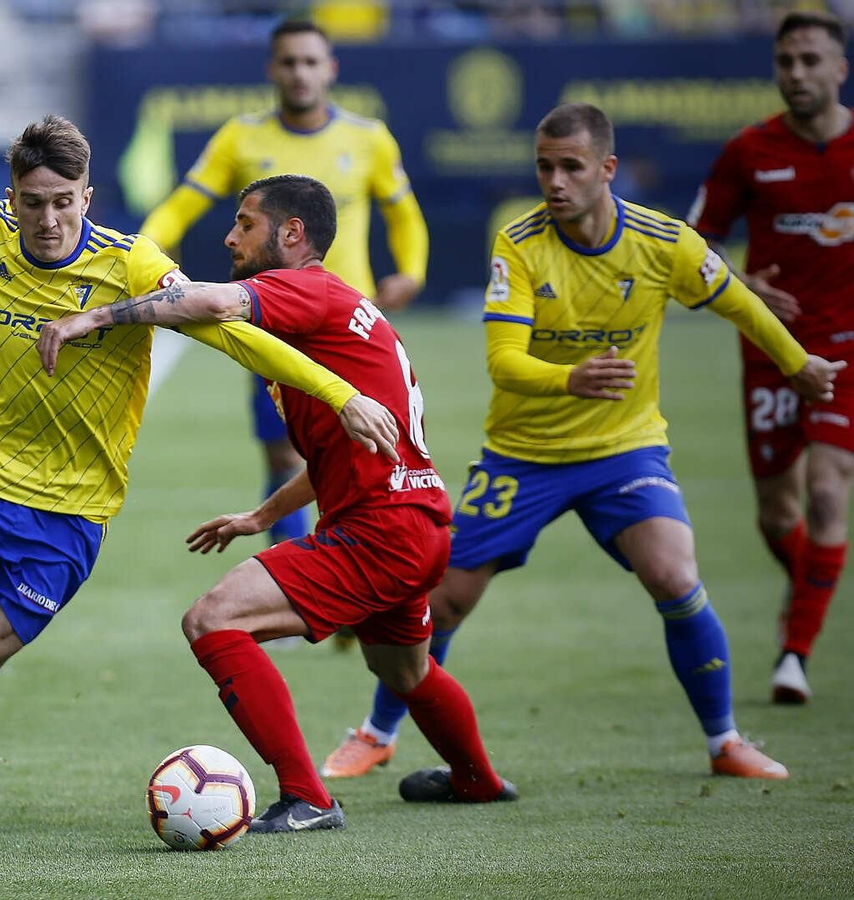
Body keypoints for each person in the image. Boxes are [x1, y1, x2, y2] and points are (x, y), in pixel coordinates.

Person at [0, 86, 402, 825]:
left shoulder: (133, 266)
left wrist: (341, 395)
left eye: (62, 202)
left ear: (88, 195)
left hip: (73, 513)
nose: (47, 220)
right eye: (31, 201)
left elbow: (235, 336)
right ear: (11, 196)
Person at [319, 102, 842, 782]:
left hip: (624, 451)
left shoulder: (663, 242)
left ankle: (726, 742)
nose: (555, 181)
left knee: (675, 576)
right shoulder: (520, 242)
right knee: (442, 600)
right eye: (544, 166)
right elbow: (504, 362)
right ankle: (377, 732)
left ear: (608, 169)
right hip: (523, 455)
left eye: (571, 167)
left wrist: (797, 364)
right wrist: (573, 377)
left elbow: (738, 301)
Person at [38, 174, 517, 830]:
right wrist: (263, 516)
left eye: (245, 224)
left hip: (380, 531)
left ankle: (309, 798)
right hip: (418, 521)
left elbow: (206, 302)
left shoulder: (307, 287)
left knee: (213, 620)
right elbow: (349, 453)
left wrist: (95, 315)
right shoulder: (339, 310)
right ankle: (478, 781)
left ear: (293, 234)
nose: (230, 237)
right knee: (401, 667)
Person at [140, 18, 428, 545]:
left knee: (365, 449)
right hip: (273, 324)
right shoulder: (241, 137)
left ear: (331, 69)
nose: (300, 73)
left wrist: (412, 271)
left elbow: (404, 213)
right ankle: (307, 584)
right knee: (286, 454)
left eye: (311, 62)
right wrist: (144, 250)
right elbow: (182, 205)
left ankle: (352, 576)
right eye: (289, 62)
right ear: (272, 69)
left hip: (350, 328)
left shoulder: (368, 139)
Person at [690, 10, 854, 704]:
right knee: (774, 514)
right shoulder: (749, 151)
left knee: (825, 490)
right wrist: (745, 286)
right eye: (787, 61)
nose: (797, 74)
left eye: (811, 60)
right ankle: (811, 581)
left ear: (840, 68)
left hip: (846, 346)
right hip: (771, 348)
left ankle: (795, 655)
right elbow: (695, 245)